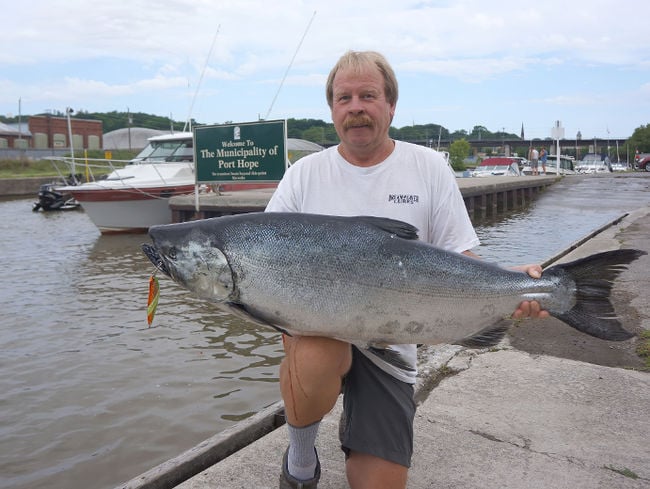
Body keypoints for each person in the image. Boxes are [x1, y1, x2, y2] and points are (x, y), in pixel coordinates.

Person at [266, 50, 547, 489]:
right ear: (333, 109)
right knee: (316, 358)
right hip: (321, 335)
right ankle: (301, 464)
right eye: (344, 98)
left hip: (394, 344)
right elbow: (269, 263)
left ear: (391, 105)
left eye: (368, 95)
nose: (355, 107)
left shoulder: (428, 167)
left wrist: (509, 283)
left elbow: (461, 260)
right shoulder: (304, 175)